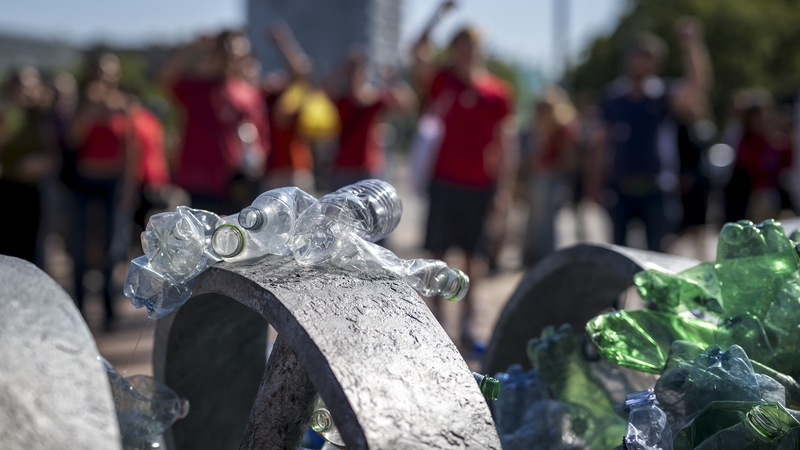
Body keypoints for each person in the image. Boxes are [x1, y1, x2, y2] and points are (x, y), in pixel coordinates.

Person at [412, 22, 516, 349]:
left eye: (473, 47)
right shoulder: (443, 82)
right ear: (453, 51)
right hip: (444, 181)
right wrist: (436, 17)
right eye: (461, 47)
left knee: (475, 258)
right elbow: (416, 52)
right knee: (438, 255)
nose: (468, 53)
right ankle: (437, 323)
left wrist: (504, 190)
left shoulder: (497, 93)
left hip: (480, 185)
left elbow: (505, 144)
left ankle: (469, 324)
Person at [589, 18, 710, 252]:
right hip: (620, 189)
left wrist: (692, 46)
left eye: (647, 57)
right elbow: (601, 145)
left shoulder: (663, 96)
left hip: (657, 189)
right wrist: (594, 186)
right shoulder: (613, 98)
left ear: (656, 63)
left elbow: (697, 86)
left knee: (657, 256)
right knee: (619, 255)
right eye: (637, 55)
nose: (640, 62)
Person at [160, 31, 269, 214]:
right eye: (227, 52)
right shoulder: (199, 88)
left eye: (238, 54)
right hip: (201, 182)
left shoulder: (249, 93)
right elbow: (166, 79)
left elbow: (259, 136)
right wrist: (191, 48)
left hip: (238, 183)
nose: (231, 58)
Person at [68, 52, 134, 324]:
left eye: (109, 72)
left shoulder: (124, 106)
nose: (104, 77)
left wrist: (129, 187)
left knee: (111, 245)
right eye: (99, 71)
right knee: (79, 244)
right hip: (85, 182)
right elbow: (73, 140)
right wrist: (88, 111)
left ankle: (109, 309)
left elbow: (131, 150)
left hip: (112, 182)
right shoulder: (82, 105)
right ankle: (78, 308)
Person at [327, 49, 416, 190]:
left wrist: (392, 78)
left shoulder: (374, 99)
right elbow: (324, 89)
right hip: (343, 167)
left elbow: (406, 104)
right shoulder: (342, 100)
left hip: (369, 167)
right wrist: (342, 71)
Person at [0, 66, 58, 265]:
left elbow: (55, 157)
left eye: (32, 86)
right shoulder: (6, 114)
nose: (27, 91)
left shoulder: (42, 118)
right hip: (6, 187)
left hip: (34, 191)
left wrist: (40, 164)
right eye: (23, 86)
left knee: (31, 250)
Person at [523, 86, 579, 266]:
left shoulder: (564, 128)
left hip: (555, 178)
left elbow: (568, 158)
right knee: (535, 219)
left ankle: (549, 258)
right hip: (539, 177)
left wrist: (548, 169)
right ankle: (534, 256)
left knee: (550, 221)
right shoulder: (538, 127)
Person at [261, 23, 315, 191]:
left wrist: (282, 43)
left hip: (294, 169)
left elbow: (300, 71)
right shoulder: (261, 97)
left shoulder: (287, 98)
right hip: (270, 171)